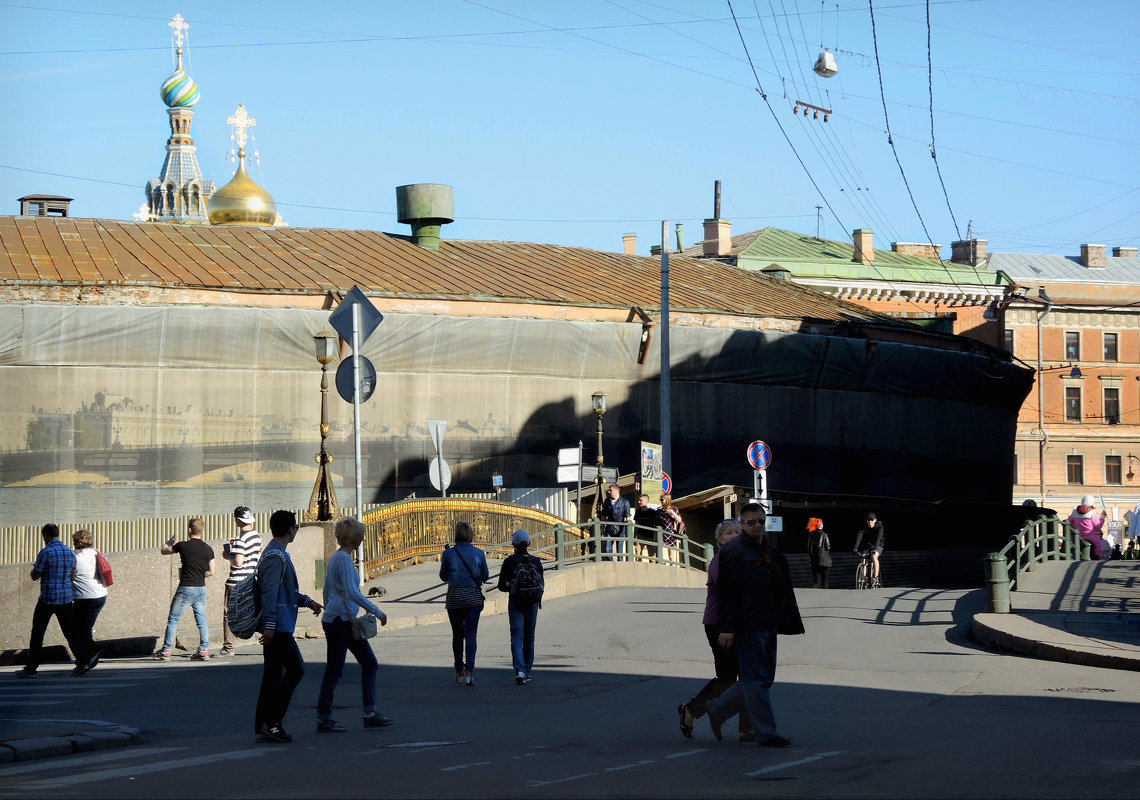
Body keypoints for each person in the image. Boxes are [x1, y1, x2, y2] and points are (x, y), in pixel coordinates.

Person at [703, 502, 803, 749]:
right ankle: (767, 734)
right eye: (751, 522)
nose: (757, 525)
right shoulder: (734, 552)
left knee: (760, 678)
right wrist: (727, 627)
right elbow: (727, 592)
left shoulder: (765, 549)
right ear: (742, 523)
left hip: (768, 621)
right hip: (746, 625)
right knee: (756, 680)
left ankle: (716, 709)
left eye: (760, 521)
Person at [677, 519, 755, 742]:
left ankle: (747, 730)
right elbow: (730, 593)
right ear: (719, 539)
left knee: (748, 677)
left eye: (738, 532)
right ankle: (691, 709)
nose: (733, 535)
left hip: (741, 624)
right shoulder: (722, 559)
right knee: (728, 678)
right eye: (728, 532)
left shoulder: (744, 557)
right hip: (720, 625)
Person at [316, 517, 392, 733]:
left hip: (338, 619)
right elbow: (352, 591)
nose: (362, 538)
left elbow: (327, 590)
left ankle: (368, 712)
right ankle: (326, 717)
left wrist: (327, 609)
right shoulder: (344, 560)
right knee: (339, 669)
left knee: (365, 664)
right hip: (341, 621)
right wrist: (377, 611)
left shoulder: (336, 558)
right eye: (361, 535)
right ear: (356, 538)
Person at [255, 510, 323, 743]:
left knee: (273, 675)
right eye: (295, 527)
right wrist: (270, 626)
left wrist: (308, 601)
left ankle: (262, 724)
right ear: (290, 529)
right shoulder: (275, 556)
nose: (296, 530)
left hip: (278, 624)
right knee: (296, 670)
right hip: (279, 627)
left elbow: (287, 592)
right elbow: (270, 593)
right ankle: (272, 722)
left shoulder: (277, 553)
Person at [17, 524, 86, 678]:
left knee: (37, 633)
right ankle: (82, 662)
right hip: (66, 600)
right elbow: (73, 576)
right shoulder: (70, 552)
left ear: (46, 536)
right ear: (57, 534)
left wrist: (33, 569)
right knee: (71, 633)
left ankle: (31, 668)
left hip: (47, 599)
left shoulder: (45, 552)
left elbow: (35, 576)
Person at [153, 518, 215, 661]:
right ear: (202, 531)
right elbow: (212, 571)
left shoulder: (183, 546)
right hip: (200, 588)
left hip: (185, 588)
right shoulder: (208, 549)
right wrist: (199, 574)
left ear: (189, 530)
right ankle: (204, 650)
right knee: (201, 620)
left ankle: (166, 650)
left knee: (174, 619)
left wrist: (168, 543)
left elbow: (164, 551)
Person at [439, 520, 489, 686]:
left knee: (457, 635)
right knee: (471, 634)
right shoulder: (479, 553)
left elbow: (443, 577)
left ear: (456, 535)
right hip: (473, 597)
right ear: (471, 535)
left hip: (454, 598)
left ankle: (459, 670)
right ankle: (469, 671)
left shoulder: (449, 554)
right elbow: (485, 576)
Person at [496, 529, 544, 685]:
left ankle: (520, 670)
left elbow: (501, 586)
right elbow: (542, 583)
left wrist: (513, 586)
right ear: (529, 543)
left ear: (513, 544)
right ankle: (528, 671)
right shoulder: (536, 561)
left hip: (516, 601)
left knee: (516, 636)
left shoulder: (510, 561)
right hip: (532, 603)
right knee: (529, 636)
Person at [220, 505, 263, 656]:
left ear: (237, 520)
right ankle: (268, 639)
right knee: (254, 611)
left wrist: (228, 555)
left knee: (229, 613)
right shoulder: (256, 536)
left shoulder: (240, 539)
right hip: (251, 579)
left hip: (236, 581)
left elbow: (238, 562)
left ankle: (228, 647)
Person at [71, 529, 108, 675]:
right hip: (100, 595)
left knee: (79, 629)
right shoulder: (96, 552)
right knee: (84, 628)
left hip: (84, 597)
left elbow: (71, 576)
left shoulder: (74, 557)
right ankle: (88, 657)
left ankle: (91, 652)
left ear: (75, 542)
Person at [1068, 495, 1108, 559]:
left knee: (1073, 544)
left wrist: (1074, 527)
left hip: (1078, 536)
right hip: (1091, 535)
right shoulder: (1092, 512)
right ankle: (1096, 557)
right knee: (1098, 545)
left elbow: (1068, 522)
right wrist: (1102, 517)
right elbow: (1097, 527)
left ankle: (1072, 554)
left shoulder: (1074, 512)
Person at [600, 484, 631, 561]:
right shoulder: (607, 501)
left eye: (611, 490)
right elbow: (603, 515)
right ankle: (611, 564)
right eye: (609, 490)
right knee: (607, 549)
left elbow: (627, 516)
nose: (609, 492)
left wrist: (628, 530)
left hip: (621, 528)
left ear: (616, 491)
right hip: (609, 527)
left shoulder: (625, 502)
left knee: (619, 551)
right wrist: (602, 528)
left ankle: (620, 566)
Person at [854, 512, 885, 583]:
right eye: (868, 520)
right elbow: (859, 537)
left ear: (875, 520)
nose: (870, 521)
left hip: (879, 544)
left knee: (874, 556)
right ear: (866, 520)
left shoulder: (880, 527)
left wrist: (875, 549)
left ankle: (876, 577)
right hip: (869, 545)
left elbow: (878, 538)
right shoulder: (863, 527)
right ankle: (864, 577)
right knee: (863, 558)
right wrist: (855, 548)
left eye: (871, 520)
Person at [633, 493, 660, 562]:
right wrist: (634, 537)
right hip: (640, 536)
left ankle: (652, 571)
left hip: (650, 537)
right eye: (638, 500)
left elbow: (657, 526)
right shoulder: (638, 512)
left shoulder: (653, 512)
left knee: (652, 557)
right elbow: (636, 524)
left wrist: (656, 538)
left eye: (641, 500)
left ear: (646, 501)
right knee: (637, 556)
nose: (639, 502)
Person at [806, 518, 832, 589]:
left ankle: (811, 592)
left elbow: (809, 548)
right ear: (822, 526)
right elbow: (827, 547)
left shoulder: (811, 535)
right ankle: (825, 596)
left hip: (814, 561)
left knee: (816, 582)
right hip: (824, 561)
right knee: (825, 580)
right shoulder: (824, 534)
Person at [658, 493, 684, 565]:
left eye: (662, 499)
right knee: (661, 554)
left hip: (671, 533)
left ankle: (673, 569)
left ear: (667, 500)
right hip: (662, 533)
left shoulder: (674, 509)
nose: (660, 500)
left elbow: (679, 520)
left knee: (671, 556)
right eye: (660, 499)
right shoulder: (660, 510)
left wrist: (672, 512)